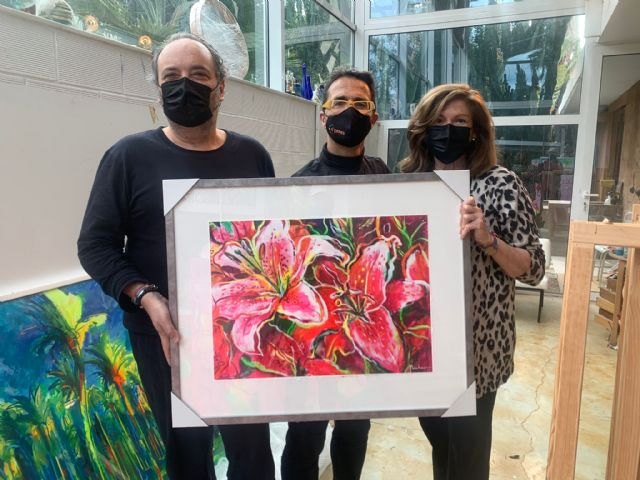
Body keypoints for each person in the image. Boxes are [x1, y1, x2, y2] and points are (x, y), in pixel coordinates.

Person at [77, 33, 275, 480]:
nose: (184, 86)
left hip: (242, 332)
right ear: (158, 88)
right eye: (172, 76)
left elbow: (268, 238)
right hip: (165, 337)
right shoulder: (128, 157)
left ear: (221, 87)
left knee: (252, 450)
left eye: (198, 75)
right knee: (187, 455)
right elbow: (95, 245)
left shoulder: (252, 155)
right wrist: (145, 295)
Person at [399, 83, 546, 480]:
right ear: (423, 128)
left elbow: (534, 268)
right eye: (439, 120)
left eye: (460, 121)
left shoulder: (500, 184)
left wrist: (488, 239)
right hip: (423, 351)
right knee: (442, 449)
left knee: (467, 460)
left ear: (476, 131)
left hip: (477, 357)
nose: (448, 129)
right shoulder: (409, 184)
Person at [280, 68, 389, 480]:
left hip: (362, 320)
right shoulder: (299, 185)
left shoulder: (384, 175)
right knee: (304, 434)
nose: (350, 111)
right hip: (313, 325)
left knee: (355, 429)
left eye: (360, 103)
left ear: (373, 117)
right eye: (340, 102)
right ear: (323, 114)